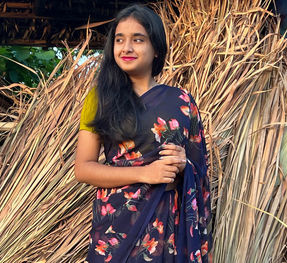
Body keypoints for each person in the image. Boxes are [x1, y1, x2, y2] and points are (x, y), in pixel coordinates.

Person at [75, 4, 212, 262]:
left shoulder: (182, 102)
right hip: (116, 229)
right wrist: (146, 173)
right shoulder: (100, 98)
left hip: (167, 230)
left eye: (137, 40)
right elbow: (83, 168)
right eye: (119, 40)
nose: (126, 48)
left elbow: (200, 171)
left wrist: (185, 165)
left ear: (156, 48)